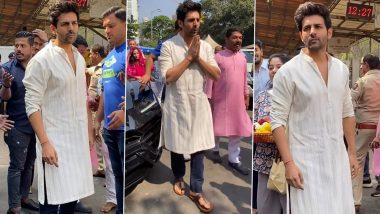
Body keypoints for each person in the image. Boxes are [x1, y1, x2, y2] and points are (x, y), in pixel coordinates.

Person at [270, 2, 358, 214]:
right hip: (304, 164)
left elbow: (347, 113)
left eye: (317, 27)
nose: (312, 32)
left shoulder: (341, 69)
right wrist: (289, 163)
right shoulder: (288, 72)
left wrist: (352, 154)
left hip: (337, 159)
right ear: (301, 35)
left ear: (329, 32)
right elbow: (277, 122)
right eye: (307, 28)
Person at [23, 2, 94, 213]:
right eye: (65, 24)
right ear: (53, 28)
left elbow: (82, 98)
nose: (71, 28)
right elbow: (32, 106)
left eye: (74, 23)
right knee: (51, 202)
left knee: (72, 197)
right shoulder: (42, 61)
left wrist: (89, 130)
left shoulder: (80, 59)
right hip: (54, 142)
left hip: (77, 141)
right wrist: (45, 143)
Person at [159, 1, 220, 213]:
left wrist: (198, 58)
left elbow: (216, 74)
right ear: (180, 23)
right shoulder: (168, 46)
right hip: (176, 104)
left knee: (199, 148)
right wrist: (188, 58)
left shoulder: (205, 47)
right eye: (191, 20)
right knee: (177, 146)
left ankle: (196, 190)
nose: (195, 24)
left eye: (198, 20)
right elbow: (168, 77)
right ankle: (178, 177)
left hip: (198, 103)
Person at [0, 31, 39, 214]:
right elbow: (4, 98)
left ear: (33, 48)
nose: (18, 49)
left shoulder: (38, 67)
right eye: (16, 45)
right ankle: (14, 207)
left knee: (30, 164)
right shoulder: (7, 68)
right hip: (17, 126)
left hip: (36, 126)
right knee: (17, 166)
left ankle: (24, 197)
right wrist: (6, 85)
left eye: (23, 45)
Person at [205, 28, 252, 175]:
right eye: (234, 37)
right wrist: (209, 97)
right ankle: (215, 150)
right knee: (216, 126)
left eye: (240, 37)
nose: (238, 40)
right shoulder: (217, 57)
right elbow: (210, 79)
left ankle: (233, 159)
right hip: (219, 99)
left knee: (236, 129)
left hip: (237, 100)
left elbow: (245, 80)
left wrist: (246, 95)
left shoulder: (242, 58)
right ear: (226, 39)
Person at [95, 6, 126, 214]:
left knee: (126, 176)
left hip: (127, 130)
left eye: (111, 26)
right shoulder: (110, 59)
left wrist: (125, 111)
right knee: (116, 173)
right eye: (105, 27)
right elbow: (106, 92)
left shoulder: (132, 53)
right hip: (109, 130)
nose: (107, 31)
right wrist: (97, 120)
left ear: (125, 24)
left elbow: (145, 89)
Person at [253, 53, 291, 214]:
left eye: (279, 67)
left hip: (288, 161)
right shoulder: (261, 97)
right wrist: (256, 131)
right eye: (270, 67)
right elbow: (254, 123)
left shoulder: (294, 96)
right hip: (264, 159)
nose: (274, 70)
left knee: (289, 204)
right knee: (266, 206)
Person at [88, 44, 117, 212]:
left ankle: (116, 195)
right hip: (106, 118)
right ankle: (112, 196)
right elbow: (102, 92)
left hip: (120, 117)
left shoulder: (119, 63)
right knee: (109, 160)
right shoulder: (105, 67)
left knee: (117, 161)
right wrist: (98, 117)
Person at [351, 54, 380, 212]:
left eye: (362, 64)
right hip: (379, 128)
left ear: (367, 65)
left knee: (357, 163)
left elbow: (349, 98)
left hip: (364, 128)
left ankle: (355, 202)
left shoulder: (362, 81)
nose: (361, 67)